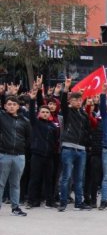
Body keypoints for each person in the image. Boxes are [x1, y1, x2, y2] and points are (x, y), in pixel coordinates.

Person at [59, 78, 92, 211]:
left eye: (80, 100)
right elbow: (62, 104)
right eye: (75, 100)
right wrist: (66, 88)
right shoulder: (67, 112)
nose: (78, 102)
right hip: (68, 147)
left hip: (81, 150)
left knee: (79, 179)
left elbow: (87, 130)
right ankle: (63, 203)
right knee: (66, 177)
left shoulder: (84, 115)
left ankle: (79, 203)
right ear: (70, 101)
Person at [26, 80, 58, 210]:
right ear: (39, 113)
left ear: (50, 114)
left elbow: (55, 140)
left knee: (49, 179)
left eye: (47, 112)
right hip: (37, 155)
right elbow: (32, 113)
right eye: (43, 112)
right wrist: (33, 99)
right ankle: (32, 201)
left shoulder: (53, 126)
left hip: (49, 156)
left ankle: (49, 201)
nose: (45, 113)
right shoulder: (36, 123)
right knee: (35, 178)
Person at [0, 90, 31, 216]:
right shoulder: (1, 117)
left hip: (19, 156)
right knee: (0, 183)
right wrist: (2, 93)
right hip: (3, 155)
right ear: (5, 106)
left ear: (18, 106)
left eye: (14, 104)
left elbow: (29, 139)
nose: (11, 106)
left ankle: (15, 208)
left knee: (15, 183)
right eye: (9, 104)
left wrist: (22, 150)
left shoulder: (25, 121)